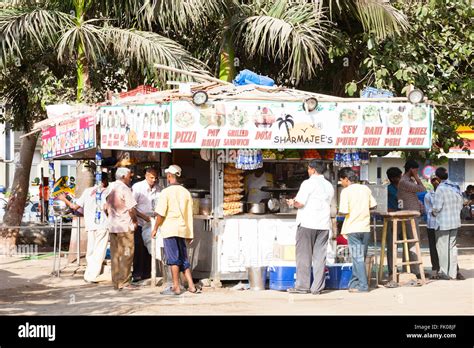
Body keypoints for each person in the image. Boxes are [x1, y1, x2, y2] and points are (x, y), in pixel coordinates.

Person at [285, 161, 334, 295]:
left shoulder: (308, 183)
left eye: (308, 168)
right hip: (323, 225)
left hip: (307, 223)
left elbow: (300, 203)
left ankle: (302, 286)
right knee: (320, 257)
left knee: (303, 256)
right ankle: (317, 288)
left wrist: (291, 202)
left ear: (312, 170)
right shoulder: (329, 185)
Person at [151, 165, 200, 295]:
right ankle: (191, 286)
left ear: (169, 176)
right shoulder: (186, 192)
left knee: (173, 259)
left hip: (170, 229)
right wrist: (190, 234)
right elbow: (189, 215)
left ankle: (176, 287)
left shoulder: (165, 192)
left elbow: (161, 214)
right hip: (182, 229)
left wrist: (155, 228)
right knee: (183, 258)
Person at [58, 173, 110, 284]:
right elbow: (107, 209)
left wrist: (64, 199)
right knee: (99, 251)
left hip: (91, 225)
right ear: (105, 181)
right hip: (103, 225)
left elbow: (74, 206)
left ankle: (88, 274)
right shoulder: (108, 191)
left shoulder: (87, 191)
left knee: (91, 251)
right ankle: (92, 275)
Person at [338, 167, 377, 293]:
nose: (341, 183)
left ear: (346, 179)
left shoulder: (346, 192)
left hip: (353, 229)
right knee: (360, 257)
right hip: (365, 228)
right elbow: (373, 205)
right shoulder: (365, 188)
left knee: (357, 258)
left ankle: (363, 286)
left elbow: (344, 211)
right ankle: (354, 283)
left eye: (341, 180)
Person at [104, 167, 138, 291]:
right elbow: (131, 209)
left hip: (113, 226)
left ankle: (116, 283)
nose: (131, 177)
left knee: (115, 255)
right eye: (129, 175)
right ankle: (125, 281)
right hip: (124, 226)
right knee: (127, 254)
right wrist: (135, 221)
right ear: (123, 176)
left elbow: (104, 207)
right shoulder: (125, 189)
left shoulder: (111, 188)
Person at [432, 167, 464, 280]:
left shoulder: (440, 188)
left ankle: (444, 272)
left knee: (442, 248)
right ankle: (453, 273)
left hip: (443, 222)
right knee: (452, 247)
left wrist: (432, 213)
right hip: (455, 221)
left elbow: (437, 207)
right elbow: (461, 204)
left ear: (437, 177)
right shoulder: (455, 186)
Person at [131, 167, 161, 282]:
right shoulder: (138, 187)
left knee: (151, 247)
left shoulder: (159, 189)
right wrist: (144, 217)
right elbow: (132, 207)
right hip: (139, 222)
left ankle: (147, 274)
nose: (154, 180)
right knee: (139, 248)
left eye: (155, 178)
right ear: (146, 176)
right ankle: (137, 274)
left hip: (153, 223)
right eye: (152, 177)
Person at [397, 160, 426, 277]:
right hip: (409, 215)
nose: (417, 172)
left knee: (409, 242)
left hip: (411, 213)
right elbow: (422, 188)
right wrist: (417, 177)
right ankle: (415, 270)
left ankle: (409, 268)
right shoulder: (404, 181)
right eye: (416, 170)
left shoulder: (407, 181)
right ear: (411, 169)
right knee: (413, 241)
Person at [385, 167, 402, 279]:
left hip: (403, 218)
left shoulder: (402, 188)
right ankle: (392, 270)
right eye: (399, 176)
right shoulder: (388, 189)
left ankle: (406, 269)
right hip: (391, 219)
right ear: (392, 178)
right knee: (391, 246)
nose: (400, 178)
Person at [424, 174, 441, 279]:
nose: (435, 182)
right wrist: (436, 212)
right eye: (433, 180)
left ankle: (445, 268)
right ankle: (435, 268)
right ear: (431, 182)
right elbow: (428, 210)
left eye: (437, 180)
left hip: (443, 224)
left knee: (443, 247)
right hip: (432, 224)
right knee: (433, 248)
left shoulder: (443, 193)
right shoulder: (428, 195)